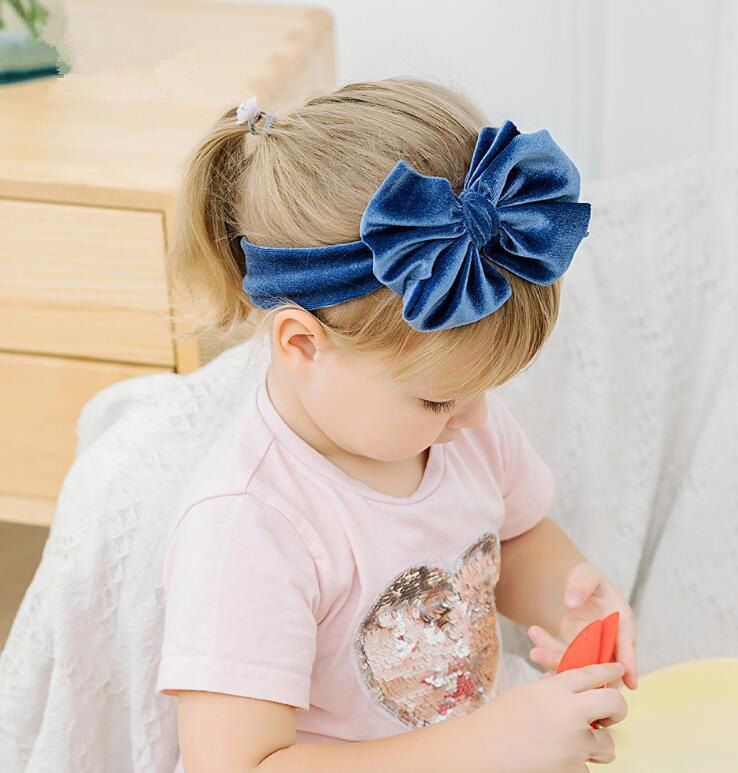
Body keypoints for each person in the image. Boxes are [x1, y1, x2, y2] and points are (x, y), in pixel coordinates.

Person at [156, 76, 638, 772]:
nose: (476, 417)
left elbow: (515, 537)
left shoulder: (460, 429)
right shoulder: (249, 526)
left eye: (482, 389)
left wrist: (571, 606)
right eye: (438, 400)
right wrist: (489, 745)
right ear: (302, 345)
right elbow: (237, 765)